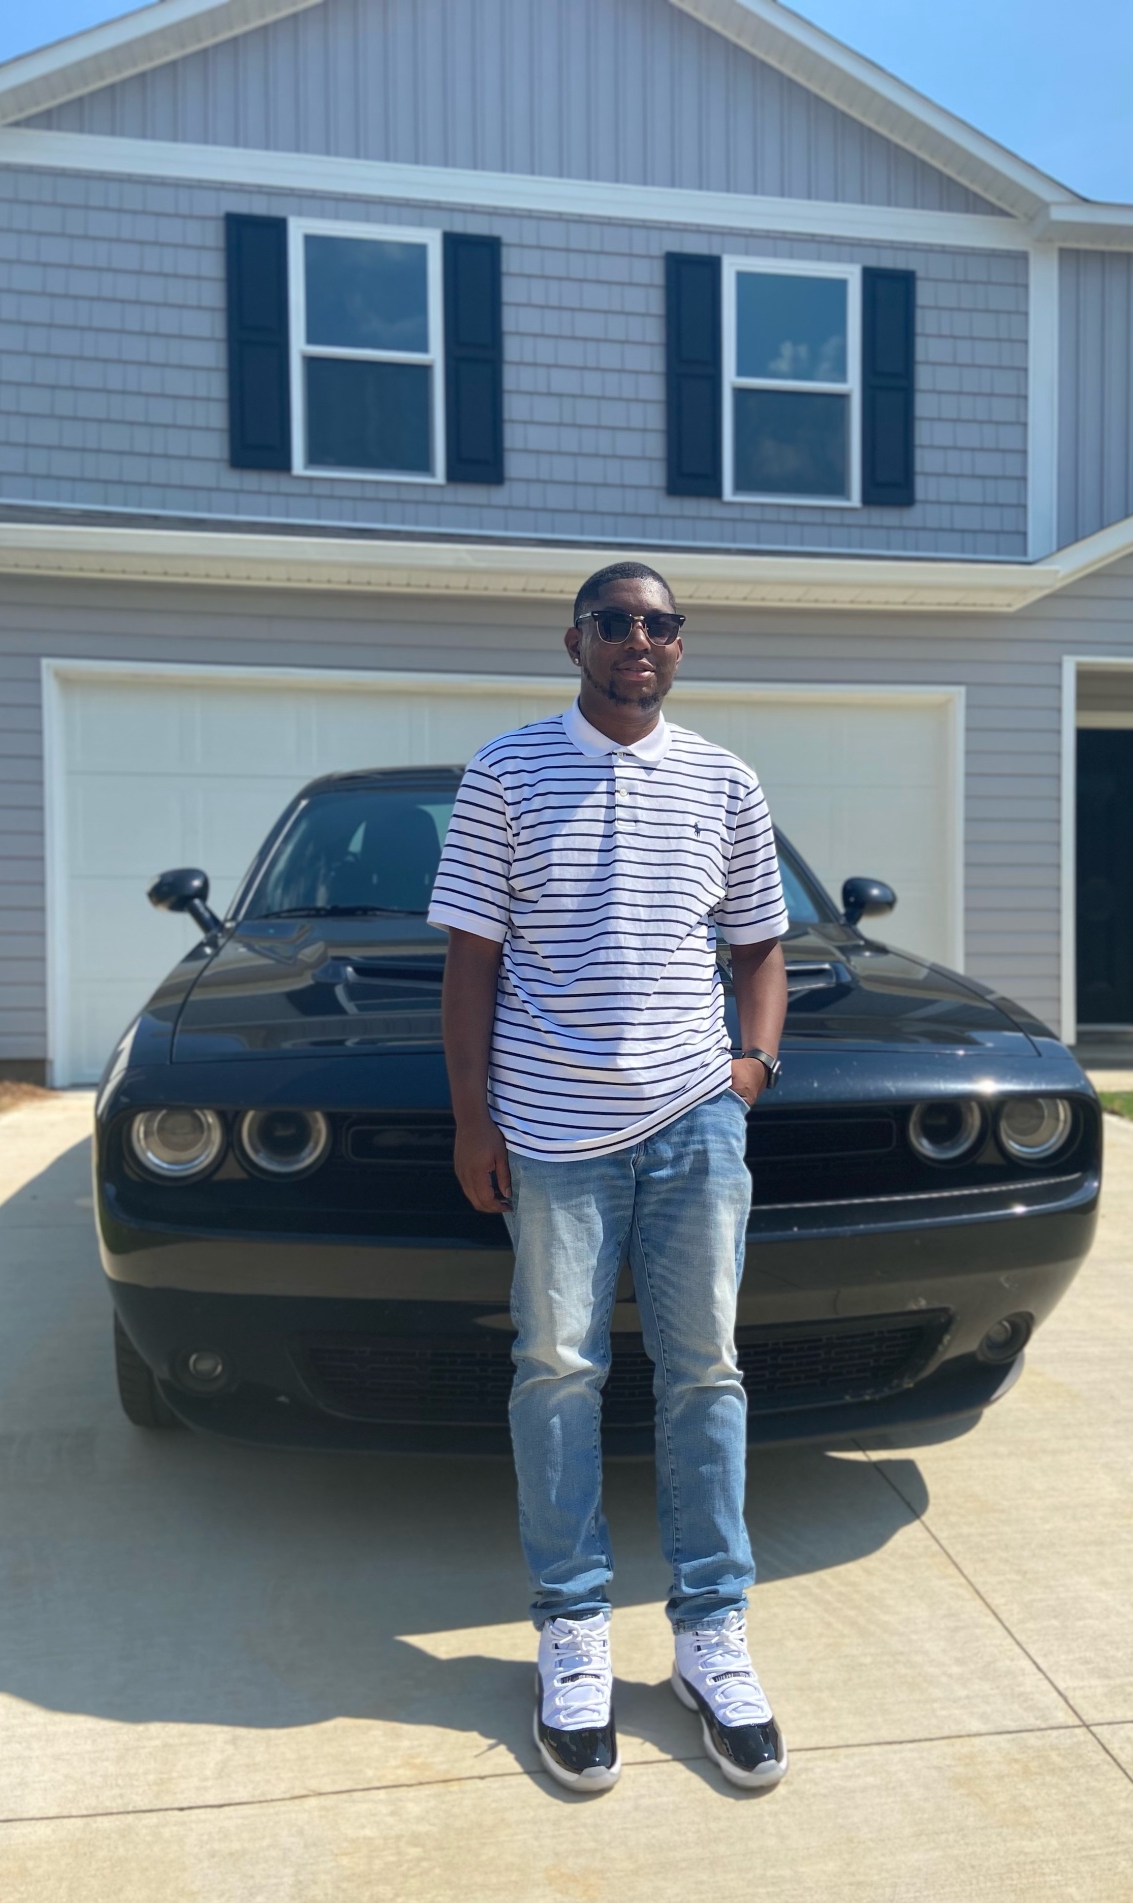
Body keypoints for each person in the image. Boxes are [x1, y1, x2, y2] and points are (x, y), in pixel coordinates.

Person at [428, 562, 790, 1795]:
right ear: (576, 637)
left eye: (662, 624)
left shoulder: (726, 779)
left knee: (706, 1374)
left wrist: (751, 1066)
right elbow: (470, 964)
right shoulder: (506, 770)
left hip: (696, 1125)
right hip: (550, 1133)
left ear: (680, 646)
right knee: (559, 1373)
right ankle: (573, 1631)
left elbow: (762, 945)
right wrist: (474, 1120)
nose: (642, 639)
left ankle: (709, 1637)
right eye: (619, 622)